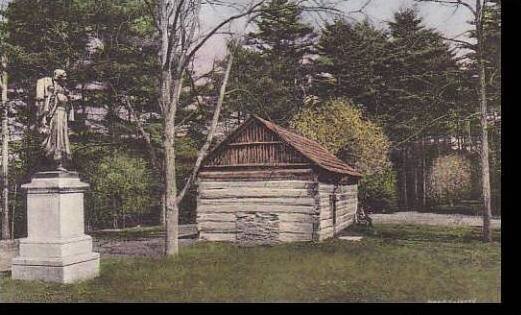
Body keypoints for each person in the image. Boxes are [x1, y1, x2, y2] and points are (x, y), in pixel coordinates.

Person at [37, 69, 73, 171]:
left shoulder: (64, 91)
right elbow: (50, 106)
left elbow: (67, 106)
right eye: (64, 76)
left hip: (63, 116)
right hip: (56, 117)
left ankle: (61, 161)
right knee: (57, 137)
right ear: (59, 77)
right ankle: (56, 161)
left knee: (62, 137)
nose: (65, 78)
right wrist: (47, 117)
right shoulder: (53, 91)